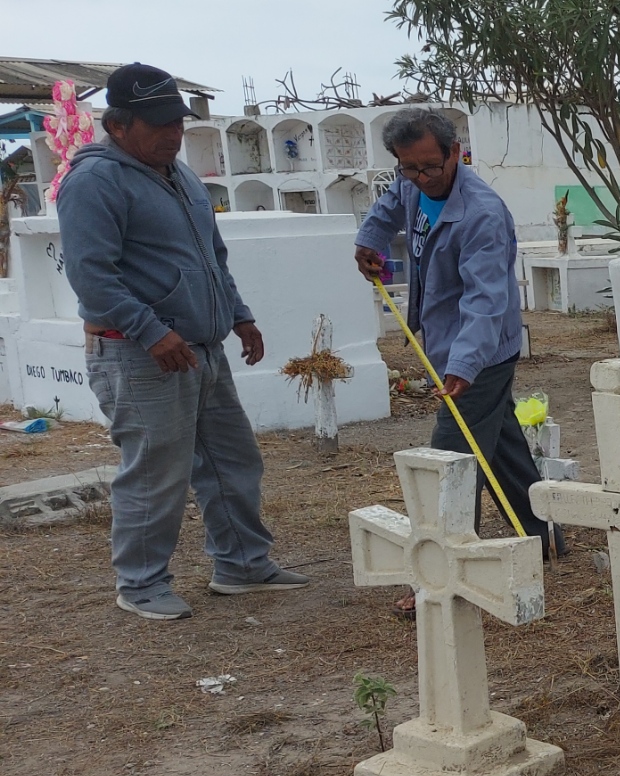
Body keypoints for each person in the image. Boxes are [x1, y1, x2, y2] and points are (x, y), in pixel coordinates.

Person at [59, 62, 311, 620]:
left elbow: (213, 257)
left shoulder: (182, 175)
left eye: (177, 121)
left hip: (201, 348)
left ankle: (242, 564)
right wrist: (153, 332)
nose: (173, 133)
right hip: (138, 353)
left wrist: (239, 315)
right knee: (155, 472)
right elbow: (91, 276)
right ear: (118, 125)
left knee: (232, 460)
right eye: (158, 124)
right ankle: (141, 584)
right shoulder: (94, 181)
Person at [352, 108, 556, 613]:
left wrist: (464, 365)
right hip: (447, 342)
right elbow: (389, 205)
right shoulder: (410, 184)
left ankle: (441, 567)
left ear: (455, 154)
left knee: (450, 454)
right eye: (410, 168)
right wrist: (369, 241)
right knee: (501, 445)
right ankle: (542, 535)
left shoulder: (482, 214)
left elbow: (487, 301)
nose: (422, 178)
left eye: (431, 167)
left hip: (480, 351)